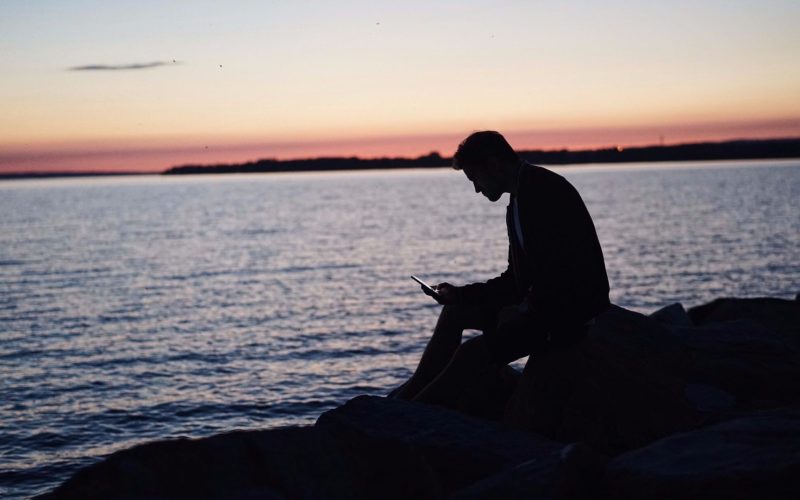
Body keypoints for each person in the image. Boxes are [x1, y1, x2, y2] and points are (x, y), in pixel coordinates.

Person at [391, 131, 610, 406]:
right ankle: (410, 395)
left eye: (475, 179)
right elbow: (514, 281)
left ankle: (414, 412)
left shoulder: (544, 192)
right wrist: (459, 294)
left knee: (473, 354)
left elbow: (563, 275)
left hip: (568, 315)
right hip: (542, 307)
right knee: (454, 312)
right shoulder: (518, 201)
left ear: (493, 165)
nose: (476, 189)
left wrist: (523, 311)